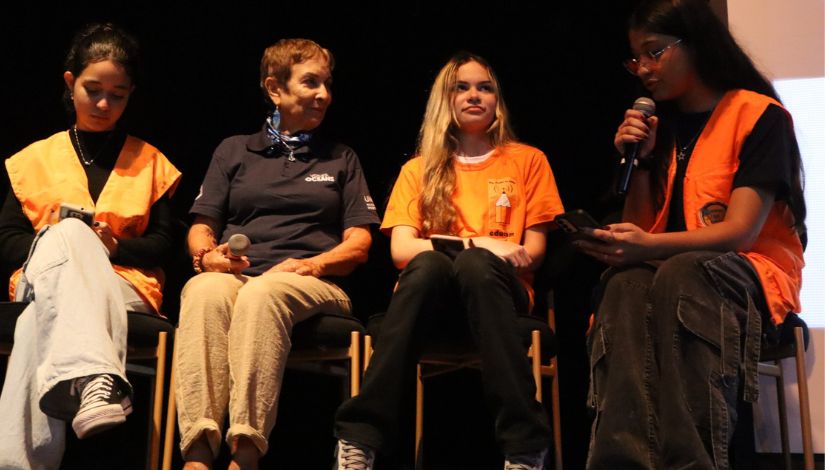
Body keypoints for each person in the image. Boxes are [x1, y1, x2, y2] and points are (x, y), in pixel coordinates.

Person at [575, 0, 806, 468]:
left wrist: (648, 246)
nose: (643, 69)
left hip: (751, 276)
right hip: (669, 270)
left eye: (654, 52)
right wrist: (638, 162)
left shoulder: (758, 115)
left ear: (695, 45)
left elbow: (741, 232)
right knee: (625, 283)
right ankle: (621, 462)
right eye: (635, 58)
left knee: (683, 273)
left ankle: (696, 461)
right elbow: (642, 229)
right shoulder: (659, 126)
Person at [333, 52, 565, 470]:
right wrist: (481, 242)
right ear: (445, 99)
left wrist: (472, 251)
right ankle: (359, 442)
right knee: (431, 266)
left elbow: (532, 253)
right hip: (429, 301)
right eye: (462, 87)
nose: (474, 95)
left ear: (498, 100)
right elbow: (402, 250)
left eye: (485, 87)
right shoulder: (418, 169)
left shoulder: (528, 160)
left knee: (473, 266)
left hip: (497, 297)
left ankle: (524, 447)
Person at [174, 38, 379, 470]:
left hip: (314, 283)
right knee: (204, 291)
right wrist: (207, 257)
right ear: (275, 89)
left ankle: (244, 452)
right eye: (310, 82)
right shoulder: (234, 150)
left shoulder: (341, 158)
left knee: (262, 294)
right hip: (239, 276)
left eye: (326, 83)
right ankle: (197, 451)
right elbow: (200, 226)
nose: (323, 94)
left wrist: (314, 264)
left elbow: (360, 243)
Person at [0, 22, 182, 469]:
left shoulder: (150, 159)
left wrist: (114, 248)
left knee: (34, 326)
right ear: (70, 83)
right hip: (40, 280)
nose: (104, 104)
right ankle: (99, 377)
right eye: (93, 90)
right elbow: (7, 242)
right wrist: (62, 243)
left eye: (117, 94)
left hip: (124, 287)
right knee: (67, 233)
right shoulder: (33, 159)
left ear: (130, 94)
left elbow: (163, 244)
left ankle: (18, 463)